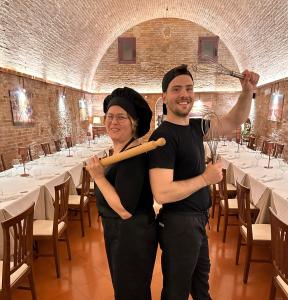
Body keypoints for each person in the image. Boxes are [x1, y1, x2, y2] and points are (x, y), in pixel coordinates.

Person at [148, 64, 259, 300]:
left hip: (198, 221)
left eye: (189, 88)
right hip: (179, 225)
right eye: (176, 89)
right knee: (176, 292)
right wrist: (204, 179)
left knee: (201, 288)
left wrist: (247, 91)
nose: (184, 94)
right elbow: (162, 193)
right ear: (164, 96)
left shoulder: (196, 127)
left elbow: (233, 122)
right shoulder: (163, 137)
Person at [86, 87, 157, 300]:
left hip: (131, 236)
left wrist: (98, 177)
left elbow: (125, 210)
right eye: (109, 116)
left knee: (130, 293)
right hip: (122, 234)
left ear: (133, 123)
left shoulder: (133, 156)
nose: (113, 122)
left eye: (121, 117)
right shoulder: (122, 150)